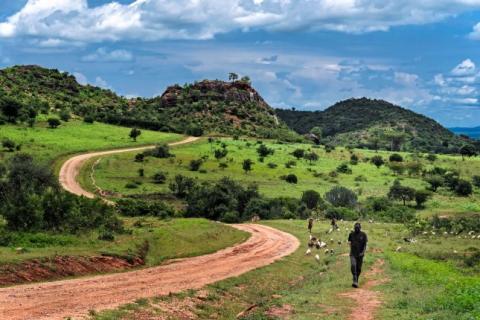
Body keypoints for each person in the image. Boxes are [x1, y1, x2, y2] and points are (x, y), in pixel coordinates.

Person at [348, 222, 368, 288]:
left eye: (358, 228)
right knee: (353, 265)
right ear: (354, 228)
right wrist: (351, 249)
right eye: (355, 228)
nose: (356, 229)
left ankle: (356, 280)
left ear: (360, 228)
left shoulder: (363, 235)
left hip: (360, 254)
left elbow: (365, 245)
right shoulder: (351, 234)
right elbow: (349, 242)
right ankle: (355, 280)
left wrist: (363, 252)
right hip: (353, 254)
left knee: (358, 269)